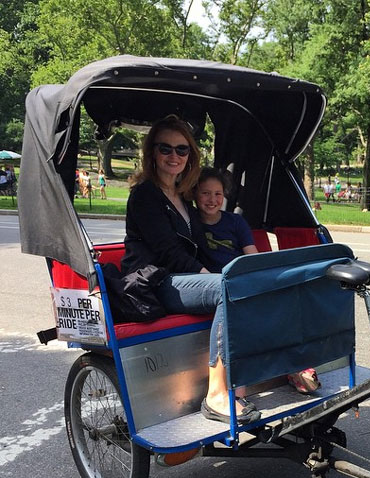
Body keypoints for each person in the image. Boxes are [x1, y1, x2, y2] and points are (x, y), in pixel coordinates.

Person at [120, 115, 260, 427]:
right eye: (165, 149)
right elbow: (169, 251)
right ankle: (216, 393)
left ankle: (272, 371)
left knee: (249, 284)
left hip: (180, 279)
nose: (174, 156)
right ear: (152, 152)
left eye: (181, 150)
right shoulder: (145, 195)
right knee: (228, 287)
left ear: (190, 156)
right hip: (155, 281)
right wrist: (212, 276)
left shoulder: (183, 197)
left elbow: (199, 246)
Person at [195, 167, 321, 396]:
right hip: (210, 285)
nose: (212, 200)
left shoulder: (235, 222)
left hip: (240, 277)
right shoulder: (191, 224)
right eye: (205, 193)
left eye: (217, 194)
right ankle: (237, 381)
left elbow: (251, 255)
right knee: (243, 308)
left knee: (279, 299)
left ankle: (293, 364)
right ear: (195, 194)